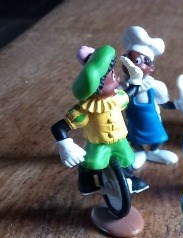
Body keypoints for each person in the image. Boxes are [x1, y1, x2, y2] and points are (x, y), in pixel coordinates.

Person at [51, 45, 149, 196]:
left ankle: (128, 178)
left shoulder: (117, 99)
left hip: (120, 140)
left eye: (114, 75)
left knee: (128, 159)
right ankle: (85, 180)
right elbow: (59, 127)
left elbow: (130, 93)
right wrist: (66, 145)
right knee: (92, 164)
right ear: (97, 87)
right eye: (112, 78)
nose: (117, 80)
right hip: (98, 144)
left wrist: (136, 80)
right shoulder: (86, 110)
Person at [121, 26, 183, 169]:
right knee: (133, 137)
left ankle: (154, 151)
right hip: (134, 121)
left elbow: (165, 104)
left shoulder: (156, 86)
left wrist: (180, 104)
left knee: (157, 136)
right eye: (131, 61)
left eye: (139, 61)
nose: (134, 66)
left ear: (151, 68)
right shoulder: (122, 87)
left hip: (153, 120)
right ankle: (139, 151)